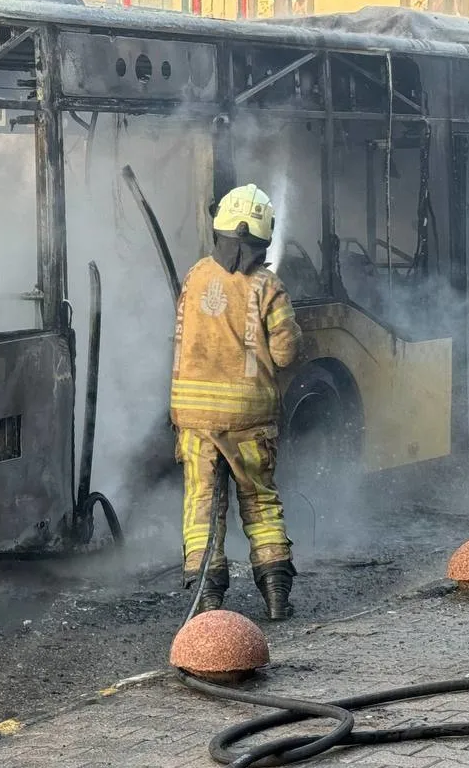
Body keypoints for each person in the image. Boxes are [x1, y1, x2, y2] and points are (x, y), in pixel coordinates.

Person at [170, 183, 302, 621]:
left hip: (194, 418)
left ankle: (207, 604)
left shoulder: (194, 277)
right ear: (263, 238)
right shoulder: (268, 286)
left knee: (202, 505)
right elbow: (285, 353)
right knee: (260, 501)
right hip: (250, 420)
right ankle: (277, 601)